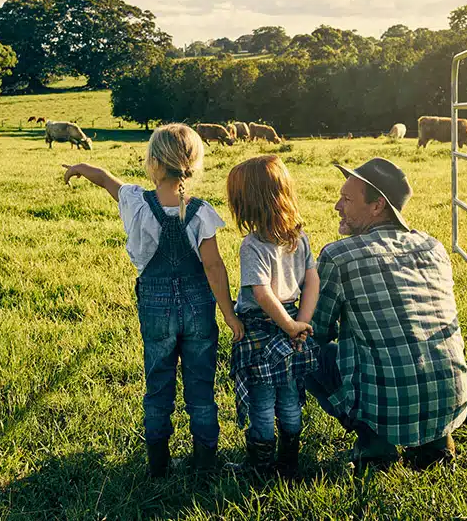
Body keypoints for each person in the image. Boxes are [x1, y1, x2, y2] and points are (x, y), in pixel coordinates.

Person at [62, 123, 244, 478]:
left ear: (153, 163)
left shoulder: (135, 201)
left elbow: (105, 179)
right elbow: (213, 266)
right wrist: (230, 315)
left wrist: (81, 169)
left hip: (155, 307)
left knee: (158, 382)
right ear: (193, 163)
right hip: (198, 307)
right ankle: (206, 462)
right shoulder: (201, 211)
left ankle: (158, 464)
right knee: (201, 387)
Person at [308, 157, 467, 470]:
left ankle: (374, 441)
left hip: (390, 408)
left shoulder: (339, 255)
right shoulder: (433, 247)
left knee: (302, 348)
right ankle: (435, 442)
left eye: (346, 199)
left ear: (377, 206)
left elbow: (317, 330)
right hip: (452, 402)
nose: (336, 206)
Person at [226, 155, 319, 476]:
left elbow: (262, 294)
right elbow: (312, 281)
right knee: (290, 397)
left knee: (262, 402)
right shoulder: (299, 236)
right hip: (292, 324)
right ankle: (289, 460)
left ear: (247, 203)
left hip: (263, 331)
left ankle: (260, 466)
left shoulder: (252, 245)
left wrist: (291, 325)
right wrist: (300, 323)